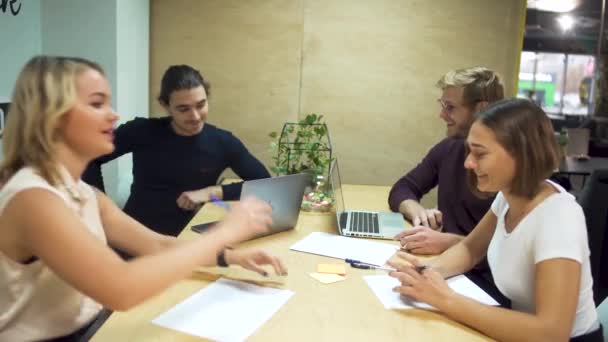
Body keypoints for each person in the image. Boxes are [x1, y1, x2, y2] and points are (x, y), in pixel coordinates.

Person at [0, 56, 287, 341]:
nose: (113, 115)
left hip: (92, 327)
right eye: (97, 104)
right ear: (54, 116)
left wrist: (231, 256)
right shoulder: (33, 197)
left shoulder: (86, 194)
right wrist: (224, 233)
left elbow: (156, 243)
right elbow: (120, 288)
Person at [389, 98, 603, 341]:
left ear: (522, 155)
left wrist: (445, 299)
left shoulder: (558, 217)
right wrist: (427, 273)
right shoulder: (508, 197)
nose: (468, 163)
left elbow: (552, 332)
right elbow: (470, 248)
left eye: (479, 153)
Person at [83, 64, 270, 236]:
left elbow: (265, 184)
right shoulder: (141, 131)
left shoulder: (223, 142)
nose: (195, 116)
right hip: (135, 233)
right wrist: (102, 209)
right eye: (183, 109)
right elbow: (89, 157)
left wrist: (212, 192)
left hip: (190, 232)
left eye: (201, 105)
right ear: (166, 106)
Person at [389, 67, 504, 255]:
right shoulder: (449, 147)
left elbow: (509, 253)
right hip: (444, 261)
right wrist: (416, 210)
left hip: (481, 279)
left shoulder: (509, 167)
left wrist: (449, 242)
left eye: (450, 107)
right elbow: (403, 187)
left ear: (481, 109)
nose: (442, 115)